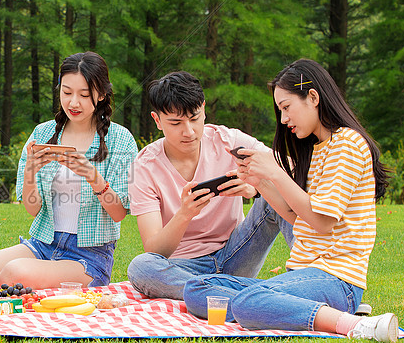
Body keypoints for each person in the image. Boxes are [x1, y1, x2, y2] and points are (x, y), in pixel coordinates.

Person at [182, 58, 400, 343]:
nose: (283, 119)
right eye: (280, 110)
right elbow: (300, 219)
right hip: (305, 274)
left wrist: (274, 171)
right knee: (197, 290)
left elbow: (322, 222)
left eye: (286, 107)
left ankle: (353, 325)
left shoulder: (348, 144)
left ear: (313, 97)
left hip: (336, 280)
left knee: (248, 303)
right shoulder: (316, 148)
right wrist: (259, 182)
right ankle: (296, 307)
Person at [126, 71, 294, 300]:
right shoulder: (145, 166)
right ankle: (257, 294)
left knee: (276, 198)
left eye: (195, 118)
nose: (189, 131)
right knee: (141, 267)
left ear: (203, 109)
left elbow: (288, 166)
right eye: (176, 123)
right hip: (184, 268)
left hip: (237, 254)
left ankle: (306, 278)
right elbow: (155, 250)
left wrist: (256, 188)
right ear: (157, 120)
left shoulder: (228, 141)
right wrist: (184, 214)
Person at [0, 51, 138, 289]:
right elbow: (33, 209)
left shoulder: (121, 140)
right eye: (66, 92)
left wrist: (92, 176)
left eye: (84, 95)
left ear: (102, 94)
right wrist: (30, 173)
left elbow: (119, 213)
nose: (74, 103)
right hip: (42, 245)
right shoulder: (42, 133)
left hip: (89, 259)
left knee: (12, 273)